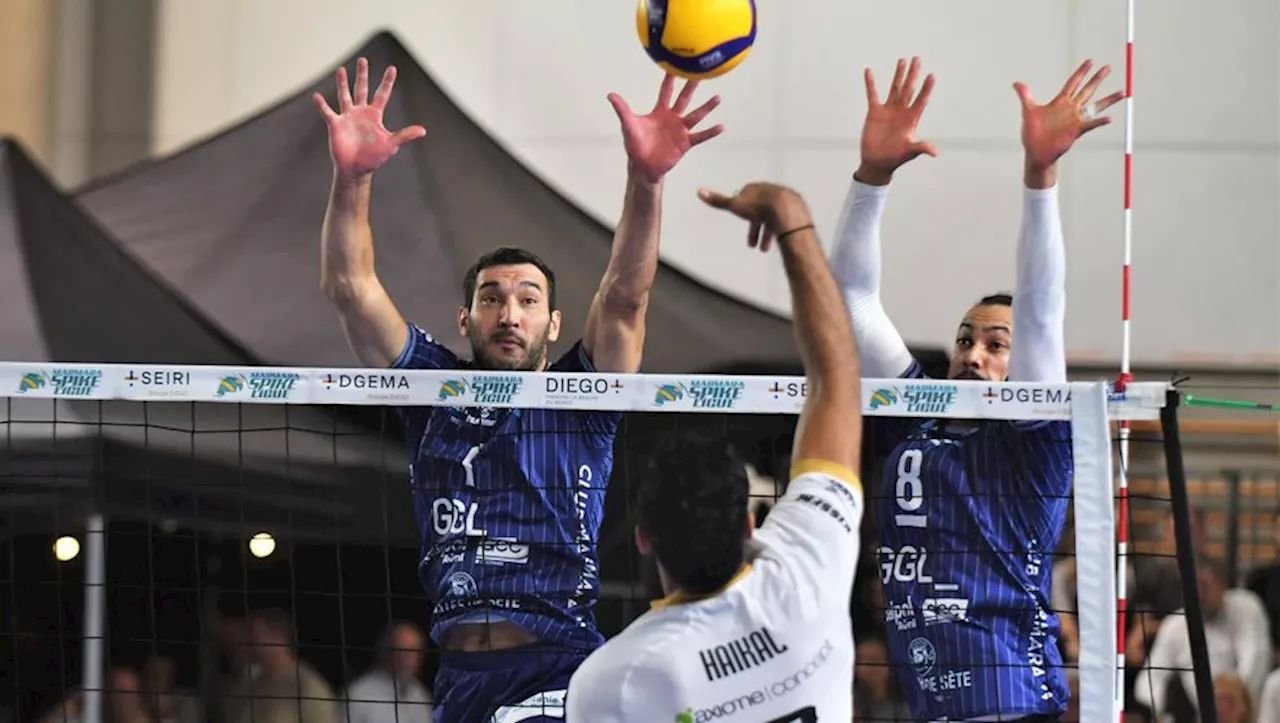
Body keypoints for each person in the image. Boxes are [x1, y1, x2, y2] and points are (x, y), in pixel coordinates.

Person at [313, 58, 723, 723]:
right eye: (493, 298)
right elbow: (350, 288)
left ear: (552, 323)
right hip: (460, 678)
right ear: (465, 319)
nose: (510, 314)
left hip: (555, 667)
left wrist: (645, 181)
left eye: (528, 300)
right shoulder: (434, 390)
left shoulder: (583, 399)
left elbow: (624, 297)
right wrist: (352, 178)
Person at [828, 56, 1122, 721]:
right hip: (930, 704)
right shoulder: (916, 414)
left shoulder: (1036, 438)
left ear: (1023, 369)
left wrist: (1040, 174)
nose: (974, 354)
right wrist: (872, 176)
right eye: (965, 339)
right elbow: (850, 299)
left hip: (1014, 701)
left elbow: (1042, 310)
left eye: (996, 344)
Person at [566, 181, 865, 721]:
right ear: (750, 525)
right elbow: (838, 381)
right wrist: (792, 218)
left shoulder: (614, 680)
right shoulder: (808, 576)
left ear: (642, 540)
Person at [339, 622, 432, 723]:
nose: (406, 658)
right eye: (400, 651)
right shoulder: (358, 694)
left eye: (413, 652)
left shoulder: (420, 694)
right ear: (385, 652)